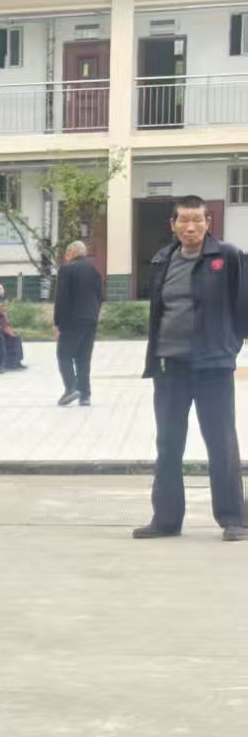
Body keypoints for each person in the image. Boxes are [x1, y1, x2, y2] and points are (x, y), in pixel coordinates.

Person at [134, 195, 247, 542]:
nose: (190, 227)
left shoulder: (227, 256)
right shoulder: (163, 260)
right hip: (170, 367)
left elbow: (243, 306)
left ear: (208, 223)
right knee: (168, 443)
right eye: (183, 220)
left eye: (197, 220)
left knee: (221, 442)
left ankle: (234, 519)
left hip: (213, 367)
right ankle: (166, 520)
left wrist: (229, 347)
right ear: (173, 225)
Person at [53, 240, 104, 407]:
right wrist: (94, 314)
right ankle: (85, 395)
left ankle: (71, 388)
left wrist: (57, 323)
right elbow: (100, 296)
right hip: (90, 320)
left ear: (71, 253)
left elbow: (61, 298)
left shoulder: (67, 270)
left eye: (66, 254)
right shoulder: (94, 270)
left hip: (71, 320)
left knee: (64, 354)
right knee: (84, 358)